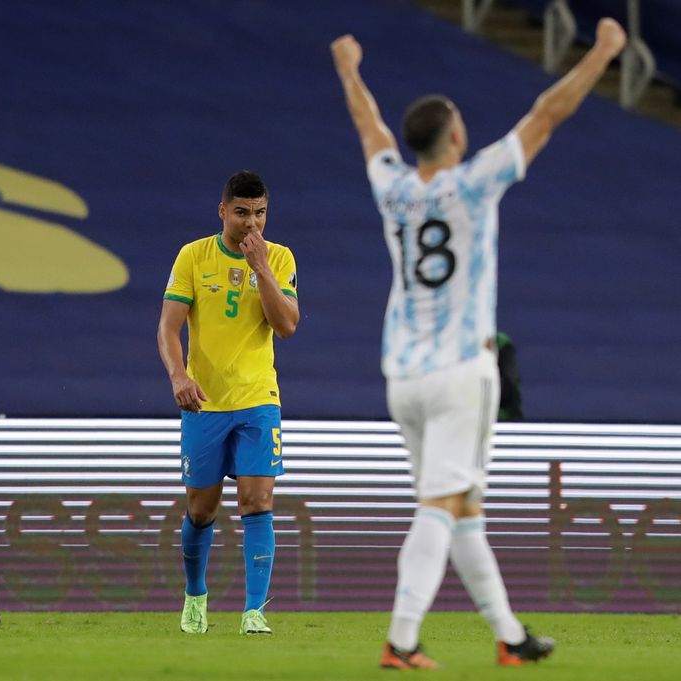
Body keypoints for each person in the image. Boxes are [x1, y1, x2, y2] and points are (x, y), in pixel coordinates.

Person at [330, 18, 627, 669]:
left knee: (462, 506)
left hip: (401, 375)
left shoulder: (394, 188)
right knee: (439, 505)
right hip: (460, 370)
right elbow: (546, 114)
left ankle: (508, 634)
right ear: (456, 136)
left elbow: (367, 128)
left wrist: (349, 69)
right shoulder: (473, 181)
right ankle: (400, 639)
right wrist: (602, 53)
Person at [157, 171, 299, 635]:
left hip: (259, 399)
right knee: (201, 510)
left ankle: (254, 611)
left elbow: (287, 326)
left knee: (257, 501)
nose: (251, 224)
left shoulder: (278, 257)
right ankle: (196, 596)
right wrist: (179, 375)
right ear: (222, 211)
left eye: (259, 213)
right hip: (206, 403)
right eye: (241, 213)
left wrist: (261, 269)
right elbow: (168, 327)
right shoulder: (193, 256)